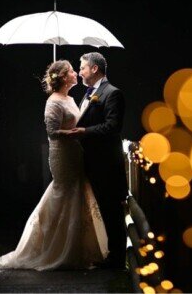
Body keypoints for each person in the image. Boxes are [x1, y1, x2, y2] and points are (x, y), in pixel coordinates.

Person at [0, 60, 108, 271]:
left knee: (77, 192)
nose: (75, 73)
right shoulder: (53, 101)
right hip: (63, 154)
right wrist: (74, 134)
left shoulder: (70, 98)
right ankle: (57, 249)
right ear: (62, 77)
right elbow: (52, 132)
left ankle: (78, 248)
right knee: (64, 192)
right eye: (71, 71)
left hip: (75, 153)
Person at [67, 52, 127, 269]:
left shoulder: (112, 93)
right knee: (104, 209)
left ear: (94, 69)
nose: (79, 71)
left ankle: (117, 259)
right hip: (92, 163)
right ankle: (112, 256)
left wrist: (84, 131)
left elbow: (113, 127)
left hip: (106, 165)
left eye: (82, 67)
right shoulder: (88, 93)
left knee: (111, 211)